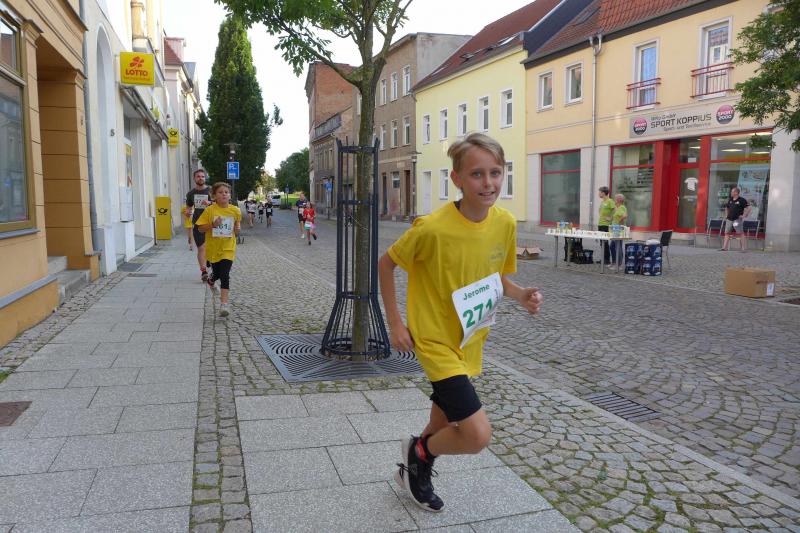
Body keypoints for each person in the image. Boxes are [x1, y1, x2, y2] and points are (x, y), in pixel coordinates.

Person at [378, 133, 543, 512]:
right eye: (476, 174)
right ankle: (420, 453)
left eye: (495, 173)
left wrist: (521, 295)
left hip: (470, 338)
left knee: (441, 420)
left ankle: (413, 468)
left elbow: (496, 278)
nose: (488, 183)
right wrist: (395, 324)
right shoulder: (432, 228)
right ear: (456, 179)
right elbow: (385, 264)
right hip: (434, 340)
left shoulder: (504, 223)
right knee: (476, 434)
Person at [195, 182, 241, 318]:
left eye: (226, 192)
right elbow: (200, 228)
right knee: (217, 273)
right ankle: (211, 280)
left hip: (228, 247)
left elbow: (237, 230)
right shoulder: (210, 210)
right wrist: (213, 225)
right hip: (214, 248)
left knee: (225, 274)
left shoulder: (235, 211)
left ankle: (224, 304)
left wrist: (237, 229)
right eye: (220, 192)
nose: (224, 194)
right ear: (214, 196)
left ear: (230, 195)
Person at [185, 169, 212, 282]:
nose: (201, 178)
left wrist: (210, 203)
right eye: (198, 176)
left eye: (202, 176)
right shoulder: (191, 193)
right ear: (194, 178)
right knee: (201, 248)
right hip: (198, 223)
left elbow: (221, 203)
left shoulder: (211, 191)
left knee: (210, 248)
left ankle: (209, 261)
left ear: (205, 178)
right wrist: (187, 212)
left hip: (212, 223)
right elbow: (188, 207)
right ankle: (204, 271)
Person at [720, 187, 750, 252]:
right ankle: (724, 247)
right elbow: (727, 208)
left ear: (736, 193)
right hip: (729, 219)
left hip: (737, 220)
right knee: (727, 233)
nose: (731, 193)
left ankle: (743, 249)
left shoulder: (742, 200)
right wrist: (726, 215)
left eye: (732, 192)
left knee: (740, 233)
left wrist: (744, 215)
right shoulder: (730, 200)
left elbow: (748, 208)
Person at [609, 193, 627, 271]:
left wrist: (619, 222)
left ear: (619, 200)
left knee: (617, 246)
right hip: (615, 229)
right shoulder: (618, 207)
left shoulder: (622, 207)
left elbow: (625, 216)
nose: (614, 200)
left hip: (618, 230)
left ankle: (618, 264)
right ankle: (615, 262)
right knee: (612, 246)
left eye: (615, 199)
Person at [597, 186, 615, 265]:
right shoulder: (602, 201)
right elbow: (600, 212)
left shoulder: (610, 201)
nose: (598, 194)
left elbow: (615, 211)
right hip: (601, 224)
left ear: (603, 193)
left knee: (605, 242)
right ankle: (604, 258)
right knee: (602, 242)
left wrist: (610, 218)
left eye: (599, 192)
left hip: (606, 225)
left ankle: (607, 260)